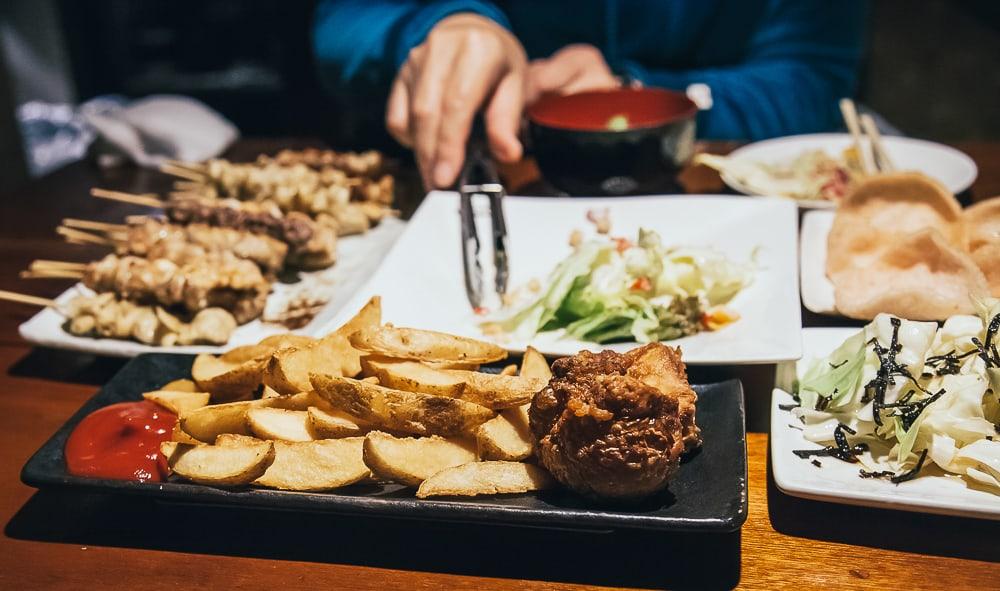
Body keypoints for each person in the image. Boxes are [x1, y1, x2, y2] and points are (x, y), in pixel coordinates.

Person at [313, 1, 868, 188]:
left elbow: (812, 80)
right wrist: (447, 23)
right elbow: (341, 23)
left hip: (702, 186)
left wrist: (633, 96)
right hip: (458, 178)